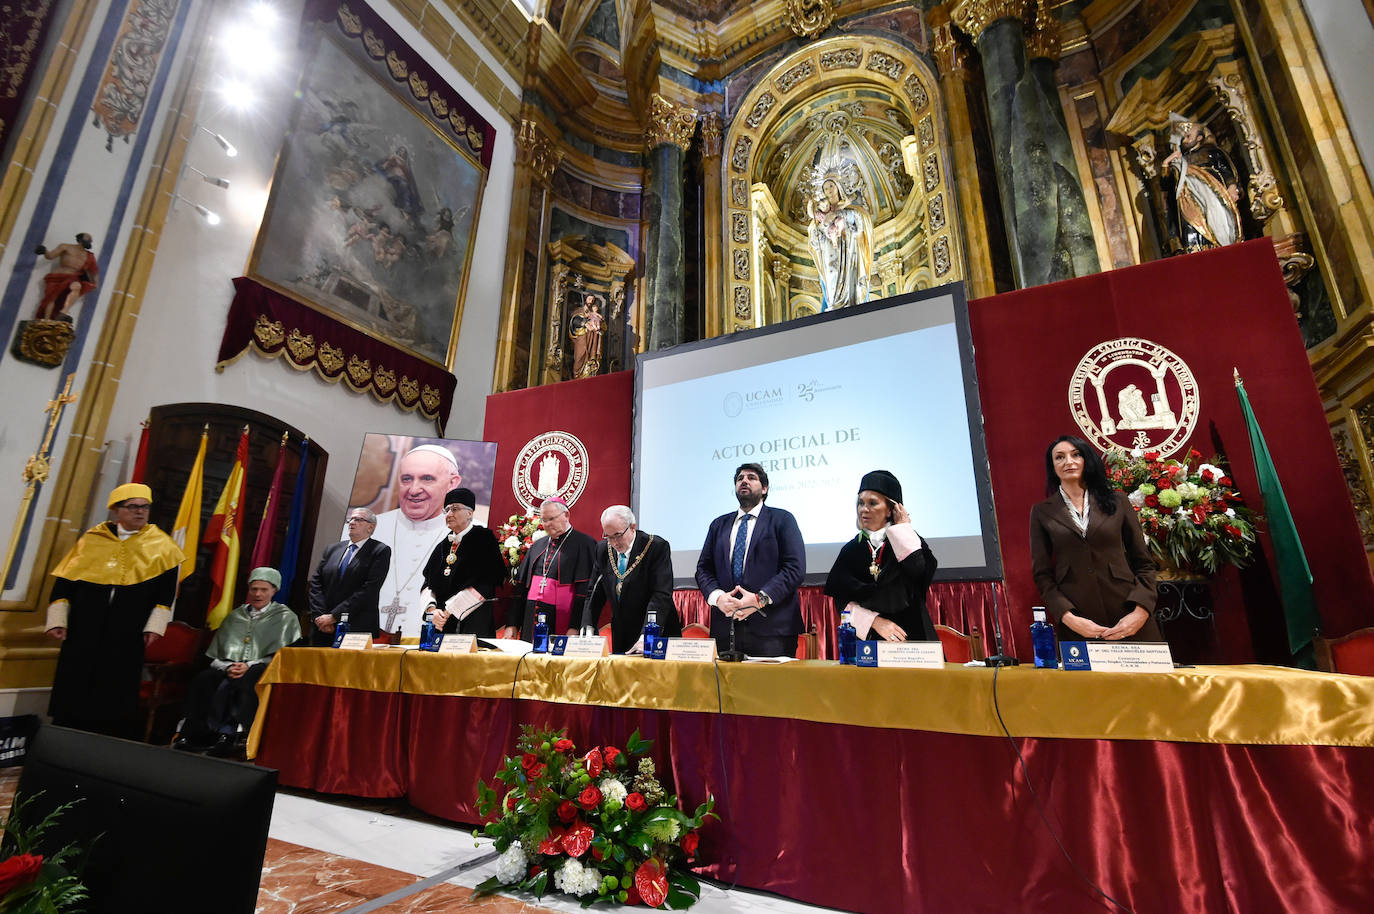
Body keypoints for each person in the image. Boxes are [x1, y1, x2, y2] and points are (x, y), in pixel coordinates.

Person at [43, 483, 184, 738]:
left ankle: (109, 734)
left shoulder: (162, 546)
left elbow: (165, 596)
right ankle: (65, 730)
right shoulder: (91, 541)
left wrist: (154, 627)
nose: (140, 512)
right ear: (117, 510)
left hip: (129, 627)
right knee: (76, 674)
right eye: (133, 507)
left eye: (145, 507)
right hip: (84, 623)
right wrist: (57, 620)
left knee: (117, 679)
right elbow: (63, 584)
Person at [1029, 436, 1162, 643]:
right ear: (1052, 467)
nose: (1068, 462)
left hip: (1128, 614)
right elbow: (1043, 575)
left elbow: (1144, 563)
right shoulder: (1041, 512)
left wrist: (1141, 611)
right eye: (1059, 457)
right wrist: (1068, 618)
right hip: (1079, 622)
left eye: (1076, 454)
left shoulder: (1118, 501)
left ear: (1086, 459)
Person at [174, 567, 301, 757]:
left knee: (247, 680)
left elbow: (282, 656)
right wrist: (228, 667)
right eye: (254, 589)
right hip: (229, 666)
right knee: (204, 679)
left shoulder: (285, 618)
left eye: (264, 590)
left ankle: (232, 736)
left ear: (274, 590)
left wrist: (248, 665)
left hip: (262, 668)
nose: (258, 594)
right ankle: (192, 733)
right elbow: (216, 654)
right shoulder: (235, 616)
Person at [695, 463, 806, 657]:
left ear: (764, 489)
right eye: (740, 478)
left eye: (751, 477)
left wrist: (758, 599)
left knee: (771, 688)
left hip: (772, 630)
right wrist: (718, 597)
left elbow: (794, 569)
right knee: (727, 688)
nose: (744, 480)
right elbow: (703, 569)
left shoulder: (782, 519)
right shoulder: (718, 524)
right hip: (726, 627)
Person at [823, 471, 938, 643]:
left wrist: (902, 528)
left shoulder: (909, 540)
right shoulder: (851, 549)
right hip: (867, 642)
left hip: (912, 639)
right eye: (861, 503)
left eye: (873, 503)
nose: (864, 509)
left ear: (891, 509)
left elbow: (918, 572)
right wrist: (874, 621)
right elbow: (842, 600)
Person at [368, 444, 464, 637]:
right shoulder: (366, 529)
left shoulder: (470, 536)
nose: (414, 490)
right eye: (406, 479)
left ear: (452, 483)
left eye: (427, 479)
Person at [583, 505, 679, 653]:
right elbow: (594, 592)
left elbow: (660, 595)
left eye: (618, 535)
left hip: (656, 631)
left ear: (632, 527)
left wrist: (647, 636)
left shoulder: (655, 546)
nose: (614, 542)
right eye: (608, 536)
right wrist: (587, 628)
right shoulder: (603, 550)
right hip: (622, 633)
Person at [499, 498, 598, 639]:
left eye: (551, 519)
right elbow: (520, 589)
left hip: (564, 620)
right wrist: (512, 624)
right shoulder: (538, 545)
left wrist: (575, 627)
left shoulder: (585, 544)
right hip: (531, 617)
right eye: (543, 520)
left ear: (566, 515)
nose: (547, 524)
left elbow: (585, 593)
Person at [418, 488, 506, 637]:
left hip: (472, 621)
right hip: (440, 623)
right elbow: (428, 582)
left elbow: (487, 583)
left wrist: (448, 611)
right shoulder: (442, 545)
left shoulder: (484, 539)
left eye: (455, 509)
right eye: (446, 510)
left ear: (470, 513)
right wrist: (432, 611)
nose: (449, 514)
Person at [307, 507, 390, 645]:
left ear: (371, 527)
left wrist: (334, 616)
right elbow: (316, 583)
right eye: (350, 519)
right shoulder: (332, 549)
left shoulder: (379, 551)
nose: (352, 522)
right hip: (323, 627)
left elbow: (369, 589)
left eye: (358, 519)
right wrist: (320, 617)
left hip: (356, 627)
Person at [1163, 116, 1242, 254]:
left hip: (1212, 197)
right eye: (1184, 137)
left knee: (1216, 223)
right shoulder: (1181, 161)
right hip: (1188, 201)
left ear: (1199, 138)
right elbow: (1166, 184)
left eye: (1188, 136)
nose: (1185, 140)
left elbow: (1226, 171)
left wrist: (1232, 187)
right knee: (1190, 226)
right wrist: (1166, 164)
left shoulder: (1211, 152)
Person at [806, 178, 873, 311]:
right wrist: (824, 224)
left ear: (838, 187)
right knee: (832, 278)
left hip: (850, 248)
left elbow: (861, 225)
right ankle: (834, 302)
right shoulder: (820, 215)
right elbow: (815, 241)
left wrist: (840, 214)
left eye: (831, 186)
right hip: (830, 252)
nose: (829, 190)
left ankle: (853, 299)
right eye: (825, 188)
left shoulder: (851, 209)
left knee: (851, 277)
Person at [34, 232, 98, 320]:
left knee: (77, 286)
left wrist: (96, 283)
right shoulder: (65, 247)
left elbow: (94, 270)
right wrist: (44, 251)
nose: (90, 241)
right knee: (51, 298)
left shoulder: (89, 256)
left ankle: (64, 312)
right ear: (80, 239)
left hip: (73, 277)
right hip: (56, 277)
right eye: (88, 239)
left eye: (90, 240)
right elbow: (51, 256)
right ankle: (47, 320)